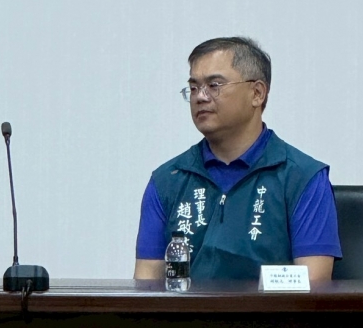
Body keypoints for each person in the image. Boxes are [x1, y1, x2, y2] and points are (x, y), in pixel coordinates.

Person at [134, 37, 341, 282]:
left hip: (272, 308)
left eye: (214, 85)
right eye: (194, 88)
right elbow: (146, 286)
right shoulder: (168, 179)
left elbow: (313, 287)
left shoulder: (302, 177)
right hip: (187, 308)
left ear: (257, 93)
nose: (200, 97)